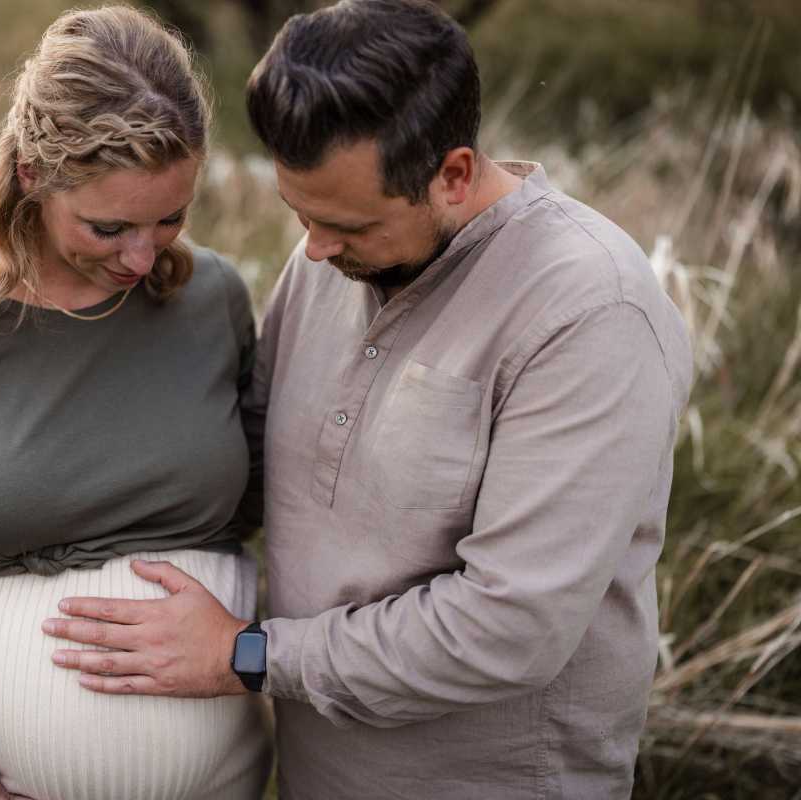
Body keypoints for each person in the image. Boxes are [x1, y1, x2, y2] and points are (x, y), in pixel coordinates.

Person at [42, 1, 693, 797]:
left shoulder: (589, 312)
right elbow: (247, 464)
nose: (314, 249)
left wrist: (243, 655)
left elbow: (510, 629)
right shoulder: (332, 255)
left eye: (345, 223)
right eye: (299, 215)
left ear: (452, 174)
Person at [0, 7, 271, 800]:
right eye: (108, 226)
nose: (143, 256)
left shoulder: (213, 299)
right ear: (33, 176)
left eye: (170, 218)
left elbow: (271, 523)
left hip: (221, 780)